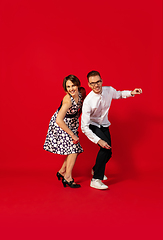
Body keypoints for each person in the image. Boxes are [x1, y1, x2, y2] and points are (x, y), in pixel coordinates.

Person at [81, 70, 142, 190]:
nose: (96, 85)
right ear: (89, 84)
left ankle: (95, 169)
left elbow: (118, 94)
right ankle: (95, 179)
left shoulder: (108, 90)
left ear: (102, 81)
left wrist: (131, 92)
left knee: (109, 152)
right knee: (104, 148)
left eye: (98, 82)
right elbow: (84, 126)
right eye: (93, 83)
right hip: (93, 125)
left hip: (104, 124)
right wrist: (98, 140)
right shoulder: (88, 101)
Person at [43, 75, 86, 188]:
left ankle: (62, 171)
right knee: (74, 148)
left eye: (73, 85)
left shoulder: (81, 93)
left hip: (71, 123)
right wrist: (72, 134)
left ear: (78, 85)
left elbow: (80, 108)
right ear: (65, 88)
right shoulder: (68, 100)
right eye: (68, 87)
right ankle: (67, 177)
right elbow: (59, 120)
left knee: (73, 148)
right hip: (60, 124)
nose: (71, 89)